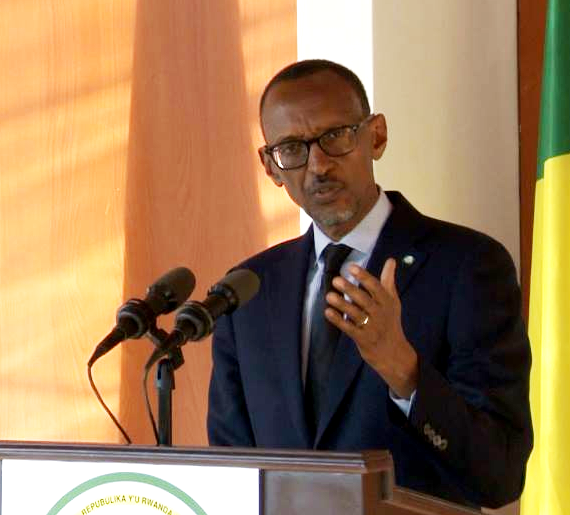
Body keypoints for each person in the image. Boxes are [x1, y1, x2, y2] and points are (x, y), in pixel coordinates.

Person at [207, 59, 532, 508]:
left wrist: (405, 372)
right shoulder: (248, 291)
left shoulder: (467, 267)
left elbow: (500, 475)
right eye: (292, 149)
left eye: (335, 137)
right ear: (270, 167)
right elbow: (231, 478)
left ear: (375, 136)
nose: (318, 165)